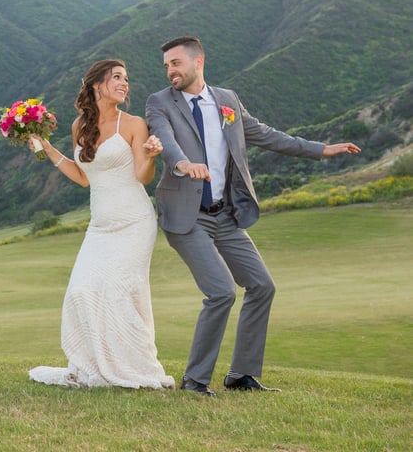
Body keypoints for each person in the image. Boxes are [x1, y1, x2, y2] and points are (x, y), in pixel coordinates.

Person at [145, 36, 361, 396]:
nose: (170, 71)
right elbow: (165, 139)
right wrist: (183, 163)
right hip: (186, 216)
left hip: (226, 215)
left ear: (198, 62)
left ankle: (241, 375)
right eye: (167, 64)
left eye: (176, 63)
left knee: (261, 286)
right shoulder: (159, 103)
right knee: (220, 292)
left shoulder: (227, 100)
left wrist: (321, 150)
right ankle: (195, 381)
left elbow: (266, 135)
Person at [27, 59, 175, 389]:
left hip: (134, 221)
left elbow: (142, 176)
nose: (125, 83)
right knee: (81, 291)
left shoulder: (135, 124)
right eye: (118, 77)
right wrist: (48, 149)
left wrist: (150, 157)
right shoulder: (80, 126)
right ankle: (93, 366)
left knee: (120, 292)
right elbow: (83, 177)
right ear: (97, 85)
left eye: (126, 78)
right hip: (100, 225)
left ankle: (137, 369)